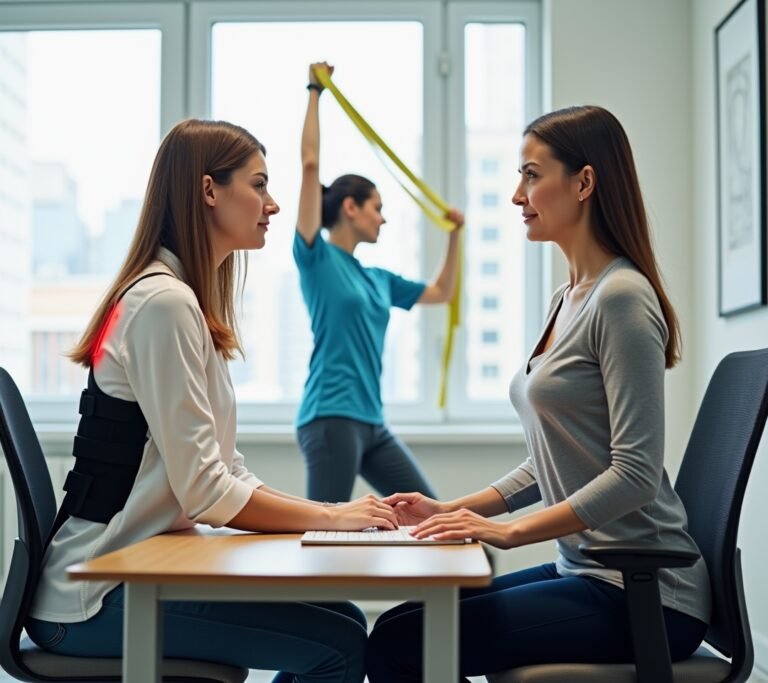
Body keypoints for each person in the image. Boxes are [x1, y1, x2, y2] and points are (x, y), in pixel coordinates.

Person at [26, 118, 398, 683]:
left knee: (341, 616)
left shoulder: (183, 303)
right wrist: (329, 516)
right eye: (259, 184)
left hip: (131, 569)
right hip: (92, 595)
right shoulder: (162, 303)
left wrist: (329, 519)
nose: (272, 204)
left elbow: (225, 469)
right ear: (209, 191)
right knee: (340, 644)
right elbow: (206, 491)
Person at [366, 105, 711, 681]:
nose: (516, 195)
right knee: (405, 621)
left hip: (646, 594)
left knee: (401, 644)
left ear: (584, 182)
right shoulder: (567, 298)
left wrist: (509, 533)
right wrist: (453, 510)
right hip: (586, 571)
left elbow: (635, 473)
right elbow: (551, 458)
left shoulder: (622, 298)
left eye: (531, 175)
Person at [295, 62, 465, 503]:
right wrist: (315, 91)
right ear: (350, 207)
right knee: (327, 528)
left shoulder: (378, 279)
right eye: (377, 208)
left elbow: (442, 292)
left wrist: (454, 236)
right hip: (330, 416)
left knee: (431, 513)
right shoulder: (316, 258)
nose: (383, 219)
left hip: (373, 423)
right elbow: (310, 166)